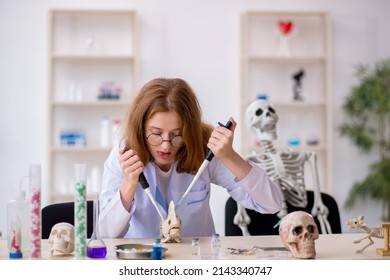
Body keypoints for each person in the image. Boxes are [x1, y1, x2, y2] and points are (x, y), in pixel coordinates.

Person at [99, 78, 283, 238]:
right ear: (140, 128)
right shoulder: (124, 154)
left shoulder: (205, 149)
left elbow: (271, 204)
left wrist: (230, 156)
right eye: (155, 133)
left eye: (177, 134)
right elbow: (106, 234)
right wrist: (130, 183)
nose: (166, 145)